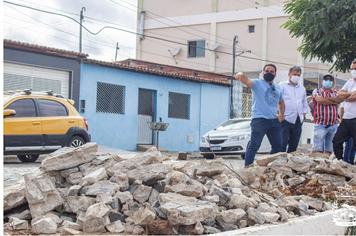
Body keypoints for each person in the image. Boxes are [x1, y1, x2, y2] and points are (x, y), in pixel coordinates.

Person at [235, 64, 285, 167]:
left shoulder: (278, 87)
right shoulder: (257, 83)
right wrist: (240, 74)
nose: (269, 73)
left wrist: (281, 115)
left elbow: (281, 102)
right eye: (267, 71)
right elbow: (245, 80)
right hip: (259, 120)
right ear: (263, 72)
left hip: (273, 120)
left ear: (275, 74)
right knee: (254, 144)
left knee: (278, 146)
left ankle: (270, 166)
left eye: (272, 71)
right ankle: (248, 167)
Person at [279, 66, 309, 153]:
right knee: (282, 144)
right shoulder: (282, 85)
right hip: (285, 119)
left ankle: (290, 165)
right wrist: (280, 114)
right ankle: (279, 164)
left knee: (294, 145)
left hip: (298, 120)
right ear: (289, 74)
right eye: (294, 74)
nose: (296, 76)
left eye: (298, 75)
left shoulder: (302, 88)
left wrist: (303, 115)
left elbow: (304, 103)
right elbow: (277, 100)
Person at [311, 74, 341, 156]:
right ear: (322, 81)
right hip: (321, 124)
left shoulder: (335, 92)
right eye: (326, 79)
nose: (328, 81)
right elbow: (320, 100)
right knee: (317, 149)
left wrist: (330, 101)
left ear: (333, 82)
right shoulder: (316, 91)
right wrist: (333, 102)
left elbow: (339, 101)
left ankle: (325, 167)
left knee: (329, 150)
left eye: (330, 80)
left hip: (333, 125)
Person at [333, 60, 356, 161]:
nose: (353, 70)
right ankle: (340, 162)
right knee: (336, 141)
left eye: (355, 69)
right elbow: (339, 94)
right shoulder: (350, 81)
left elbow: (353, 97)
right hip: (346, 119)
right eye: (352, 69)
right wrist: (349, 94)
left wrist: (345, 95)